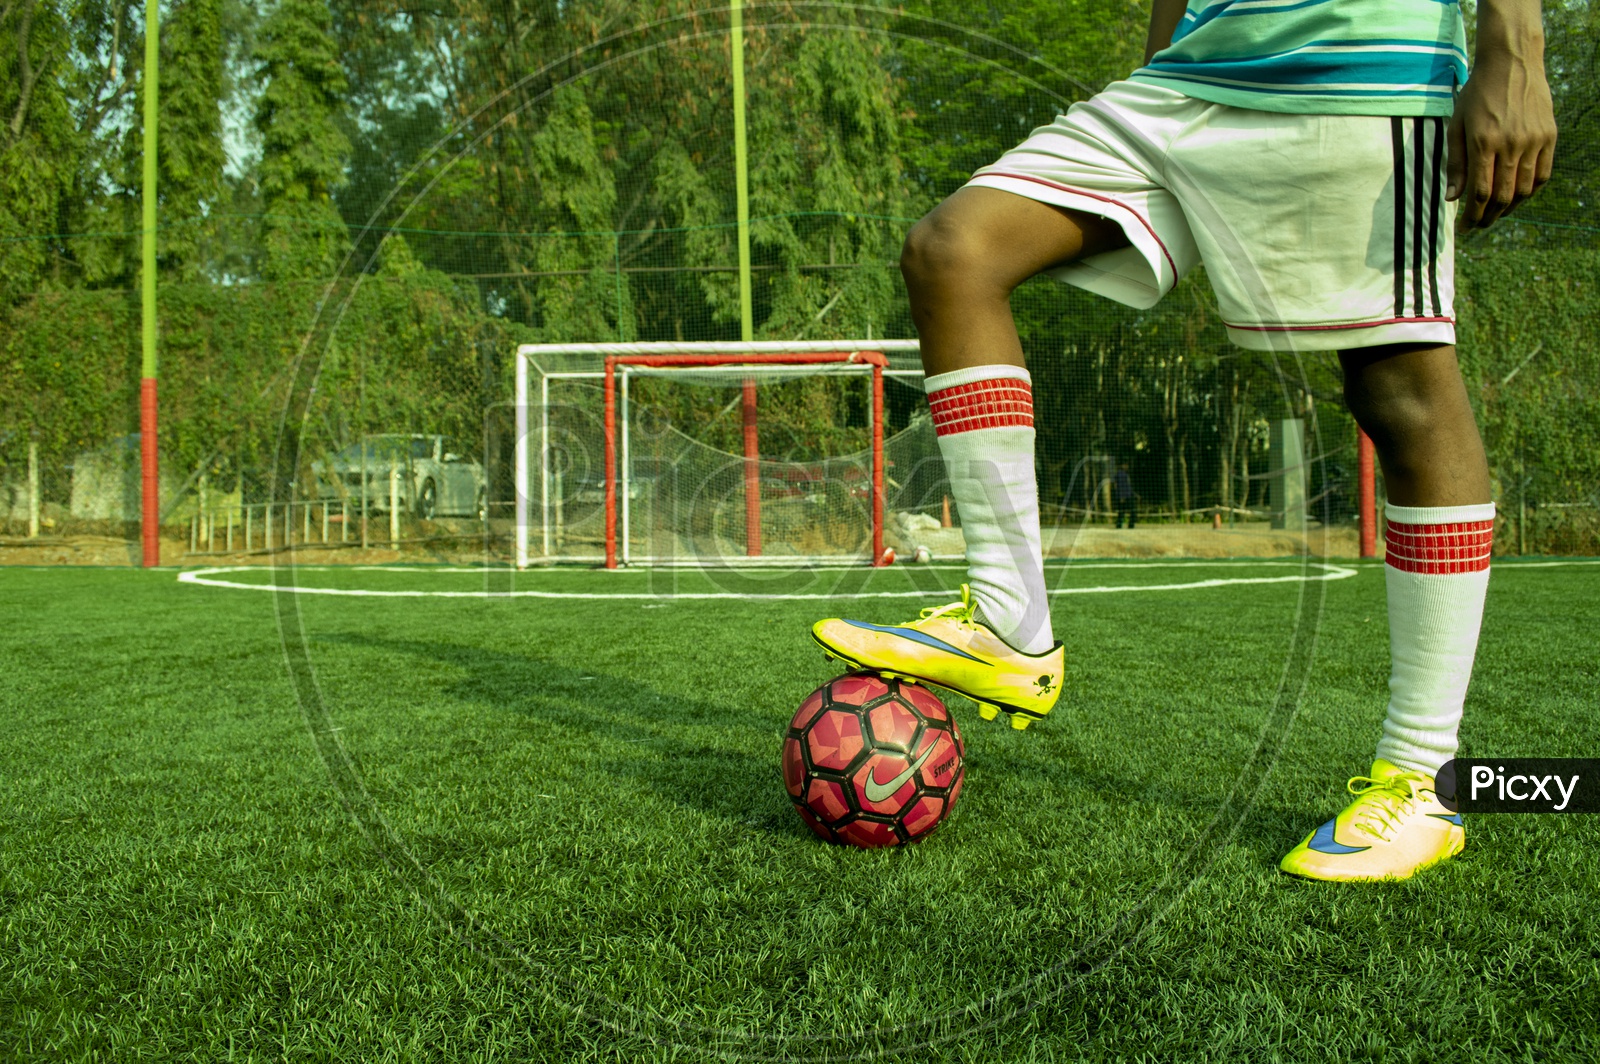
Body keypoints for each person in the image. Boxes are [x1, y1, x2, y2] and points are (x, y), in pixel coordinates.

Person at [812, 0, 1556, 881]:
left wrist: (1517, 45)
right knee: (954, 251)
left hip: (1358, 66)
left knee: (1397, 386)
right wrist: (1158, 62)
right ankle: (1011, 629)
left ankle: (1424, 777)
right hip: (1188, 78)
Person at [1113, 462, 1137, 529]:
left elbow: (1128, 486)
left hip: (1129, 496)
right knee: (1121, 512)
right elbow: (1118, 486)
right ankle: (1119, 525)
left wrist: (1134, 494)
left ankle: (1130, 526)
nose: (1127, 466)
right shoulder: (1120, 474)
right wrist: (1121, 497)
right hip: (1124, 496)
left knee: (1132, 511)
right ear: (1122, 465)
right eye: (1125, 465)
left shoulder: (1127, 474)